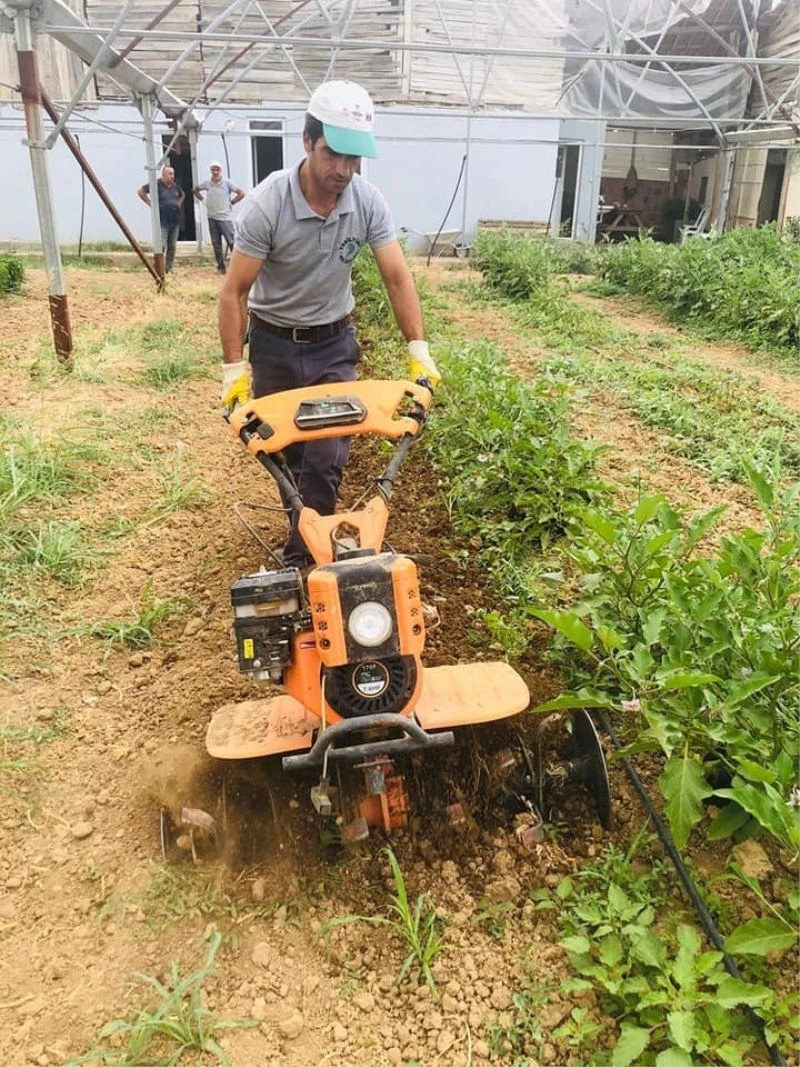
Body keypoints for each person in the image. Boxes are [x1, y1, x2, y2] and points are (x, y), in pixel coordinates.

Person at [218, 79, 440, 569]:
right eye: (333, 155)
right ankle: (308, 538)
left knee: (327, 454)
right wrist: (234, 370)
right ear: (307, 142)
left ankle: (309, 560)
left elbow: (397, 277)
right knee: (288, 453)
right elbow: (235, 291)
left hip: (333, 344)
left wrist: (419, 347)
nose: (343, 170)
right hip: (274, 344)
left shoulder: (366, 201)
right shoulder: (267, 204)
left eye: (354, 159)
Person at [193, 162, 245, 274]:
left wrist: (232, 202)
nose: (215, 172)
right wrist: (203, 200)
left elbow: (241, 193)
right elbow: (195, 190)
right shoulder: (207, 183)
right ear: (211, 171)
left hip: (225, 218)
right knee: (216, 244)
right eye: (213, 170)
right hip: (212, 217)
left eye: (217, 170)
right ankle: (221, 267)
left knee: (232, 242)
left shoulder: (227, 183)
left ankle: (237, 267)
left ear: (220, 171)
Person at [137, 165, 184, 273]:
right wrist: (150, 204)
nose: (172, 176)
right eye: (170, 174)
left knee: (172, 246)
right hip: (162, 221)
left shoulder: (175, 186)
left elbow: (182, 195)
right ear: (163, 175)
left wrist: (178, 204)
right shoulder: (156, 184)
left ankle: (169, 268)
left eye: (173, 174)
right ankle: (158, 267)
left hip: (174, 221)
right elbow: (141, 191)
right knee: (161, 246)